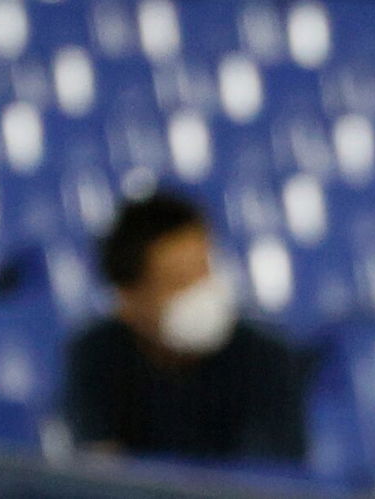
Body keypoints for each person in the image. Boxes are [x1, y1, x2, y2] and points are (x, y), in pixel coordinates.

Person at [64, 191, 306, 463]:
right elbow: (99, 473)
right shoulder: (95, 355)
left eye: (204, 270)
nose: (201, 291)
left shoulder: (267, 358)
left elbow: (268, 480)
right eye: (180, 281)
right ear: (128, 300)